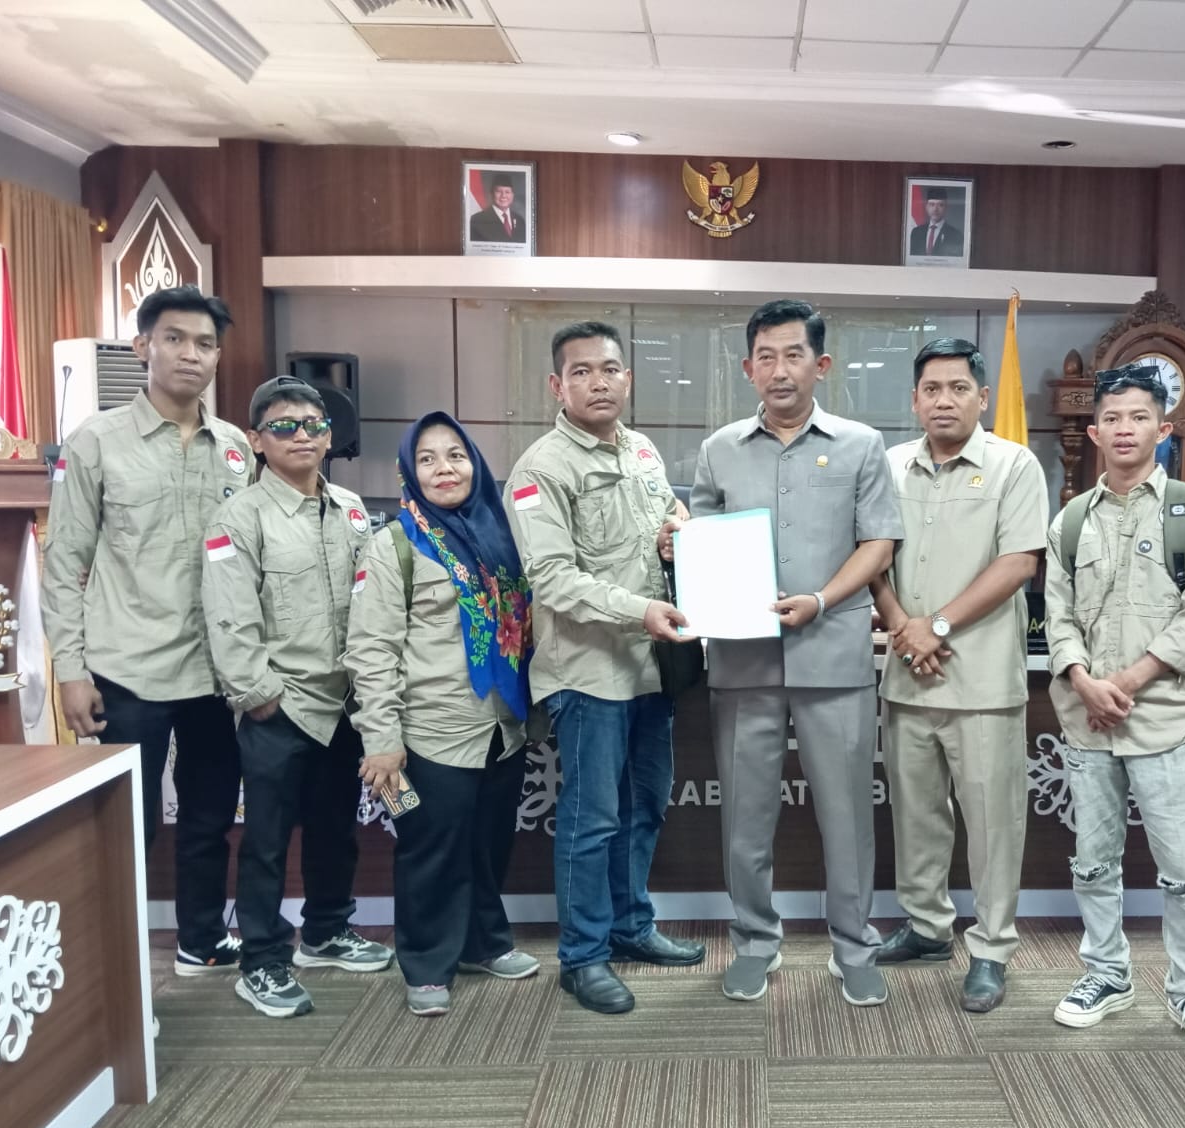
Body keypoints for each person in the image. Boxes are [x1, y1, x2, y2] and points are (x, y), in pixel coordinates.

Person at [688, 299, 904, 1007]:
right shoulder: (719, 449)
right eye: (766, 357)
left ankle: (854, 947)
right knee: (745, 818)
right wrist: (679, 547)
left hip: (833, 656)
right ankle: (755, 941)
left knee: (846, 817)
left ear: (821, 364)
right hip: (743, 660)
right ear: (747, 368)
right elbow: (703, 542)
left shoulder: (861, 445)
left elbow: (879, 544)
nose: (779, 370)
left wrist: (820, 599)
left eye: (793, 355)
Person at [42, 284, 251, 979]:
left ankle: (201, 941)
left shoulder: (234, 448)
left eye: (205, 343)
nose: (191, 354)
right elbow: (63, 562)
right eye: (175, 339)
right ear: (143, 347)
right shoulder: (96, 442)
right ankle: (116, 971)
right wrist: (70, 670)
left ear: (218, 356)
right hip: (126, 669)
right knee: (130, 824)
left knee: (210, 819)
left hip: (215, 672)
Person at [507, 321, 704, 1016]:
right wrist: (640, 609)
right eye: (582, 371)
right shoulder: (540, 469)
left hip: (651, 668)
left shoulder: (642, 450)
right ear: (556, 386)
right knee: (591, 821)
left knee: (645, 807)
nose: (599, 382)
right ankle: (582, 956)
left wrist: (678, 531)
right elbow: (552, 579)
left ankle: (629, 926)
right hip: (588, 673)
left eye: (610, 369)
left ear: (628, 378)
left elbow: (669, 515)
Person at [1043, 363, 1185, 1055]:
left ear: (1164, 428)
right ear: (1095, 433)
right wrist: (1081, 678)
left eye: (1138, 417)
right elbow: (1058, 615)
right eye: (1112, 419)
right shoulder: (1070, 519)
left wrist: (1123, 682)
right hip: (1089, 721)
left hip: (1167, 720)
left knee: (1182, 870)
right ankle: (1107, 973)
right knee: (1093, 862)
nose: (1124, 429)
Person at [202, 376, 392, 1018]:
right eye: (283, 426)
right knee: (266, 841)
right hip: (280, 706)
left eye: (313, 425)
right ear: (256, 441)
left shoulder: (351, 508)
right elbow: (229, 617)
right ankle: (261, 960)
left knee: (336, 829)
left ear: (330, 437)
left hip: (343, 703)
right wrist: (260, 696)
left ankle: (326, 931)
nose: (301, 435)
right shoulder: (240, 517)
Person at [869, 337, 1047, 1013]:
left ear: (981, 397)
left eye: (958, 388)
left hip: (981, 682)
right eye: (931, 389)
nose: (944, 400)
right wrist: (901, 624)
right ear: (915, 400)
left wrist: (935, 626)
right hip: (908, 675)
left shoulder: (1013, 465)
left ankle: (992, 948)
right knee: (916, 815)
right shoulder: (889, 466)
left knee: (993, 823)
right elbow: (871, 555)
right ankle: (927, 927)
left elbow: (1019, 562)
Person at [343, 413, 540, 1018]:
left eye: (455, 455)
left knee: (487, 845)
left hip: (502, 727)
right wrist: (382, 738)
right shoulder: (395, 545)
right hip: (430, 730)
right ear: (409, 471)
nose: (444, 468)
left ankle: (484, 942)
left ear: (474, 463)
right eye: (427, 459)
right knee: (431, 852)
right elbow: (371, 649)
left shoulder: (502, 536)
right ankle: (427, 964)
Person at [469, 175, 527, 243]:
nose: (503, 196)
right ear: (492, 194)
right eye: (499, 191)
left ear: (512, 195)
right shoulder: (477, 220)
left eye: (507, 192)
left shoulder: (520, 221)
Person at [909, 187, 964, 257]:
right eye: (932, 204)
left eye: (940, 205)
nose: (935, 209)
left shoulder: (956, 235)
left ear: (946, 208)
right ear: (926, 207)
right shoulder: (916, 232)